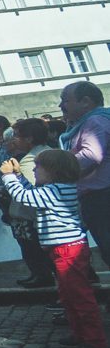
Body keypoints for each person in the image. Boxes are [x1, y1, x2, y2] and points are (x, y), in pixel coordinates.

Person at [1, 149, 107, 348]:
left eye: (38, 166)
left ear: (53, 171)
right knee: (68, 295)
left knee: (78, 296)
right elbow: (32, 193)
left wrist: (8, 176)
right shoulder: (59, 188)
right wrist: (20, 176)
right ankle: (80, 334)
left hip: (67, 250)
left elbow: (24, 197)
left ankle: (95, 340)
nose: (34, 168)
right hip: (65, 248)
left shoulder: (54, 191)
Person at [59, 80, 110, 269]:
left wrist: (59, 165)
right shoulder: (96, 120)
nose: (62, 105)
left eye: (65, 100)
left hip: (101, 197)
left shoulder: (94, 121)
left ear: (86, 101)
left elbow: (91, 155)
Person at [5, 119, 55, 288]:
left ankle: (43, 277)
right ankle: (39, 275)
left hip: (29, 216)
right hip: (32, 216)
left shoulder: (32, 160)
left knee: (34, 250)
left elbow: (31, 192)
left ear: (29, 139)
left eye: (17, 136)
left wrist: (10, 178)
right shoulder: (45, 153)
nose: (14, 140)